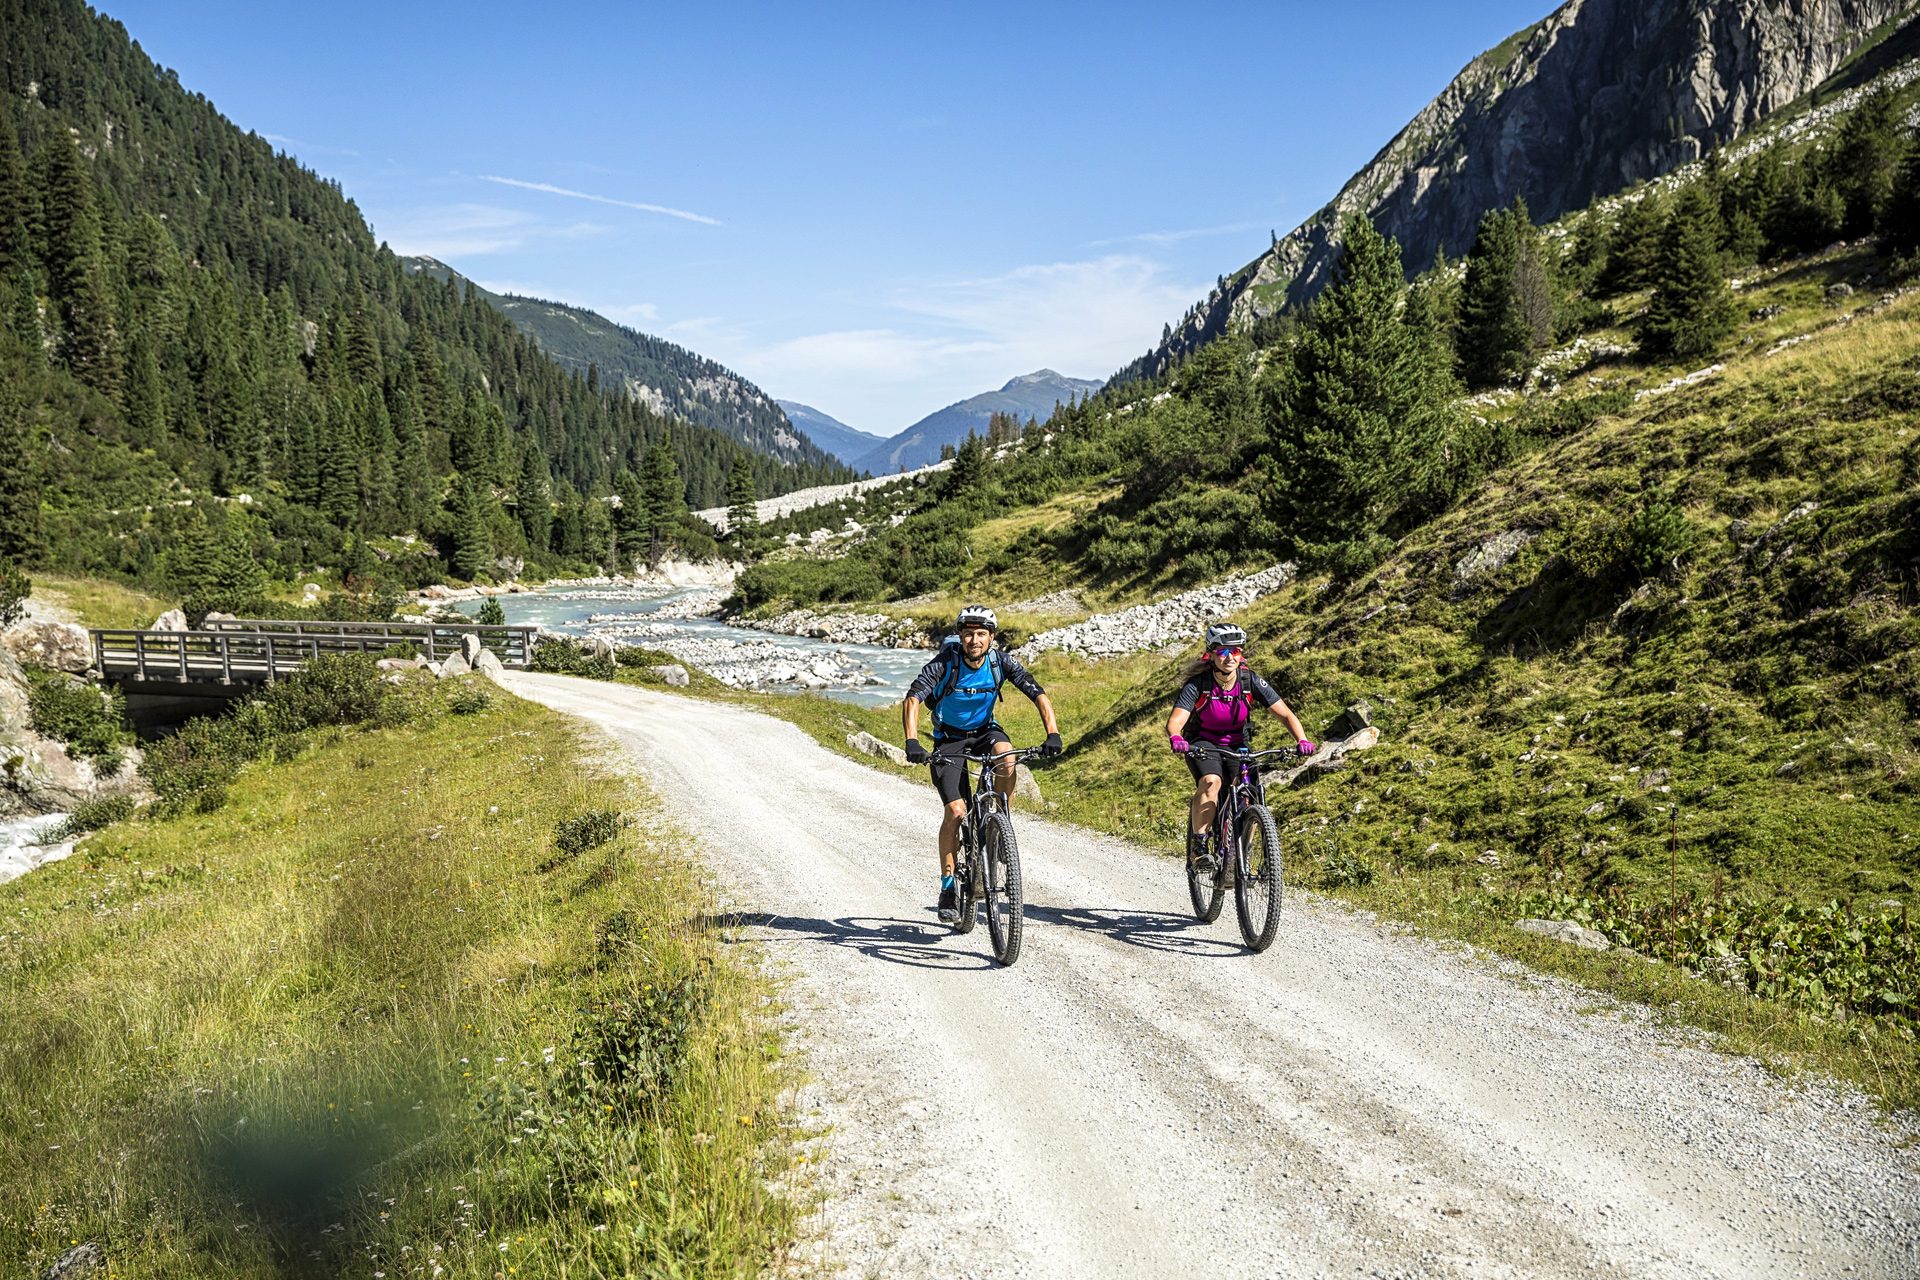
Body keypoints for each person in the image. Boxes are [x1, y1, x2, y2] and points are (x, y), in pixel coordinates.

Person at [903, 605, 1062, 922]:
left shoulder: (999, 662)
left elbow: (1039, 695)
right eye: (968, 634)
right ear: (960, 636)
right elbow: (913, 698)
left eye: (981, 634)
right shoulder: (946, 662)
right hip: (949, 739)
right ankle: (948, 886)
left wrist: (1053, 733)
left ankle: (999, 823)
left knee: (1008, 757)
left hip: (985, 732)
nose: (974, 640)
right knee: (956, 811)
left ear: (991, 637)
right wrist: (912, 741)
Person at [1165, 622, 1315, 874]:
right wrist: (1177, 738)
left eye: (1235, 651)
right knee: (1212, 781)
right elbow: (1176, 721)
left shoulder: (1249, 680)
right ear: (1211, 654)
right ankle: (1199, 848)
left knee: (1250, 794)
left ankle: (1239, 854)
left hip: (1238, 744)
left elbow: (1285, 714)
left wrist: (1302, 740)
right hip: (1203, 743)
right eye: (1222, 651)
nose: (1229, 657)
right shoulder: (1198, 684)